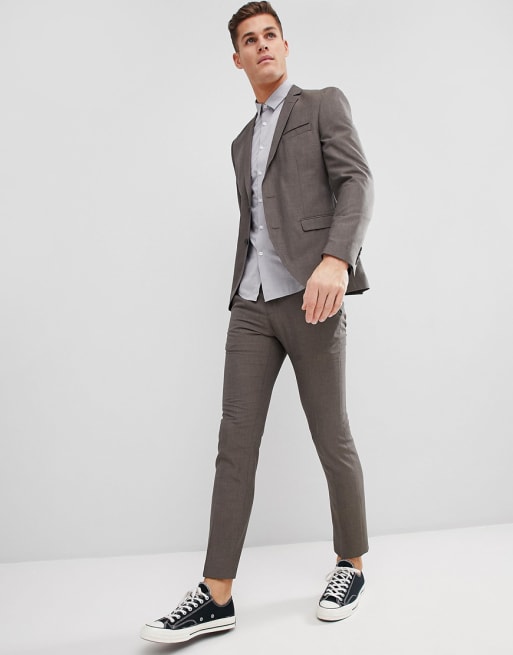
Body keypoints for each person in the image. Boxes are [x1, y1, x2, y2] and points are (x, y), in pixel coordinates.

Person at [140, 1, 373, 644]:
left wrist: (335, 260)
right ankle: (216, 595)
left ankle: (351, 564)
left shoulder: (322, 104)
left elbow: (356, 183)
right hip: (251, 304)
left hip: (312, 296)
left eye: (271, 35)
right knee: (234, 445)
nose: (263, 44)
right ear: (237, 57)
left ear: (285, 46)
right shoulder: (240, 142)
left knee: (331, 435)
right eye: (250, 39)